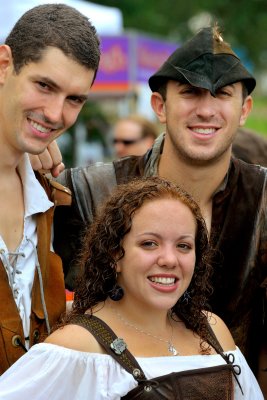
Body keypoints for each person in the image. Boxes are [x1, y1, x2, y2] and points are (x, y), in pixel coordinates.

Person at [32, 25, 267, 395]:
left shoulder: (264, 198)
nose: (205, 109)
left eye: (222, 94)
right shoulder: (87, 190)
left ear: (244, 110)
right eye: (190, 93)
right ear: (160, 105)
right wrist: (19, 157)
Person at [0, 177, 263, 399]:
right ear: (115, 254)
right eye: (149, 243)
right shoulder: (79, 345)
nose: (169, 260)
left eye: (183, 245)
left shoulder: (212, 329)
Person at [0, 3, 100, 373]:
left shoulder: (48, 194)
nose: (57, 114)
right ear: (4, 65)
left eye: (74, 99)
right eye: (44, 86)